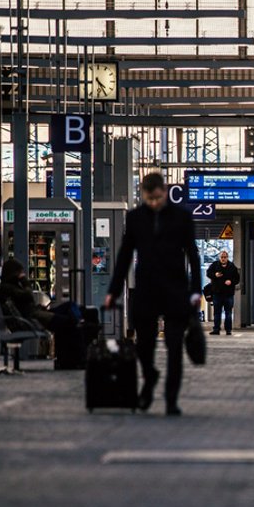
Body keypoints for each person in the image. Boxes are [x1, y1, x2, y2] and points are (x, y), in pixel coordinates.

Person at [105, 172, 201, 416]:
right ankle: (149, 378)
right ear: (143, 195)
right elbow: (125, 255)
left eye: (158, 198)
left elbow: (193, 254)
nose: (154, 203)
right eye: (149, 199)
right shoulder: (135, 218)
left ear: (164, 191)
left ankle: (171, 400)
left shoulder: (182, 217)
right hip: (146, 290)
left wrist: (196, 290)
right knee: (144, 347)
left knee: (174, 347)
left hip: (175, 290)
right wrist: (113, 291)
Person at [0, 258, 80, 334]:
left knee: (70, 305)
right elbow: (29, 296)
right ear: (14, 273)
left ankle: (79, 320)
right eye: (20, 272)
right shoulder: (8, 288)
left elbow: (26, 302)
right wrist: (25, 281)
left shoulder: (9, 287)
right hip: (34, 318)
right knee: (68, 322)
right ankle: (79, 322)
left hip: (35, 314)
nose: (22, 274)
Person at [205, 249, 240, 335]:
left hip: (228, 294)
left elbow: (237, 279)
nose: (223, 258)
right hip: (217, 293)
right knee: (217, 312)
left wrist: (231, 281)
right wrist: (215, 275)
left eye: (225, 257)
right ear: (219, 257)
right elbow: (208, 273)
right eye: (222, 257)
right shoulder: (214, 265)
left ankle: (228, 330)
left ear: (227, 258)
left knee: (228, 313)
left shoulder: (232, 267)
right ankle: (216, 329)